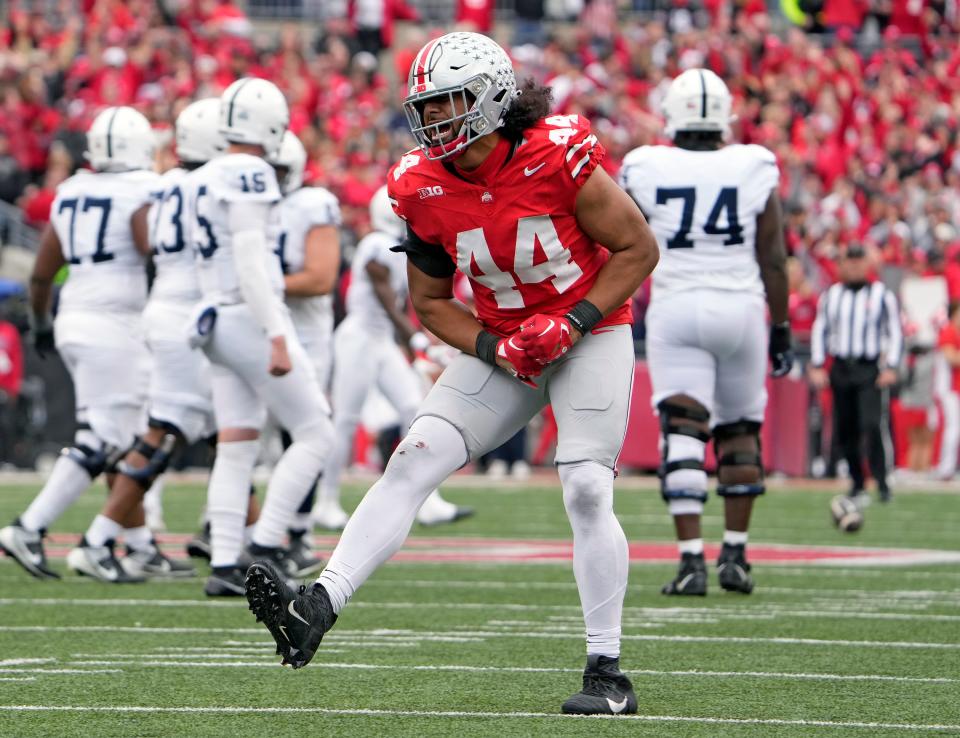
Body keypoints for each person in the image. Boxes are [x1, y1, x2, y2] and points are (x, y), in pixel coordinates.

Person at [243, 31, 659, 716]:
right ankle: (316, 606)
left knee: (586, 486)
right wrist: (497, 349)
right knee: (412, 458)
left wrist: (574, 319)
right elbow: (432, 304)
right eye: (427, 107)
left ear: (491, 97)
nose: (434, 119)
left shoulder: (557, 154)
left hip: (592, 332)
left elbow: (638, 248)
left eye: (448, 103)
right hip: (507, 341)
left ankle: (607, 672)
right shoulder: (421, 186)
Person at [619, 68, 793, 597]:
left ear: (672, 114)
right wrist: (782, 325)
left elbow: (619, 235)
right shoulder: (754, 163)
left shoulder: (644, 164)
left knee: (684, 430)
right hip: (741, 304)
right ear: (724, 117)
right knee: (740, 428)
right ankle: (735, 554)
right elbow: (774, 256)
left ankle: (692, 560)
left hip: (677, 303)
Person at [182, 78, 334, 596]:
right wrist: (274, 331)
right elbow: (250, 258)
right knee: (317, 432)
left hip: (213, 315)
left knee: (238, 440)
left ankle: (225, 563)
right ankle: (266, 546)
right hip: (248, 314)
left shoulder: (201, 175)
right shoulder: (248, 171)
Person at [64, 98, 226, 583]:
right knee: (165, 431)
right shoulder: (205, 183)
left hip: (155, 310)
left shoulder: (166, 183)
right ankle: (91, 540)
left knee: (223, 430)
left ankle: (237, 539)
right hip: (179, 316)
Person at [0, 107, 159, 580]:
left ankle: (139, 544)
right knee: (108, 439)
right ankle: (29, 527)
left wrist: (43, 324)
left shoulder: (70, 191)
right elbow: (149, 250)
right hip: (116, 323)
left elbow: (43, 272)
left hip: (74, 317)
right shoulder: (142, 189)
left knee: (130, 432)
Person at [315, 185, 473, 530]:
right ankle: (325, 502)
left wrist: (412, 343)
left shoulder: (402, 249)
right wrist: (416, 340)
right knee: (345, 420)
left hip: (382, 339)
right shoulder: (376, 245)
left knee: (414, 411)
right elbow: (387, 300)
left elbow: (402, 305)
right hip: (359, 338)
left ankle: (425, 500)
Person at [269, 129, 341, 574]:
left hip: (306, 335)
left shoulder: (311, 204)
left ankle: (296, 532)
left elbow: (319, 278)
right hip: (261, 329)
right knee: (238, 435)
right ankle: (233, 531)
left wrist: (257, 285)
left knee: (304, 432)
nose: (269, 179)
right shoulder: (250, 202)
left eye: (277, 170)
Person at [809, 245, 902, 503]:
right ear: (841, 265)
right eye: (849, 261)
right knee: (845, 429)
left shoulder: (882, 295)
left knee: (872, 425)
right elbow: (821, 329)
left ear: (868, 264)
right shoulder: (832, 295)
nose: (854, 266)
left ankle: (883, 482)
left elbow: (895, 331)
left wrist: (891, 366)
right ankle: (857, 483)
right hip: (841, 367)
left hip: (869, 368)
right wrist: (818, 364)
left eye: (859, 261)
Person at [935, 302, 960, 480]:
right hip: (950, 388)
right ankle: (946, 468)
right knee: (953, 428)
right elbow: (951, 358)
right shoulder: (949, 331)